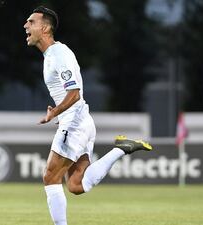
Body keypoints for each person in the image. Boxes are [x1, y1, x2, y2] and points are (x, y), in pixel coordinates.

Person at [23, 6, 153, 225]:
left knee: (50, 177)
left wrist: (54, 112)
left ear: (45, 28)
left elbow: (73, 94)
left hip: (74, 122)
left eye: (31, 22)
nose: (25, 25)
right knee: (76, 185)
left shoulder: (59, 54)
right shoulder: (51, 56)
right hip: (80, 121)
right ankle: (121, 149)